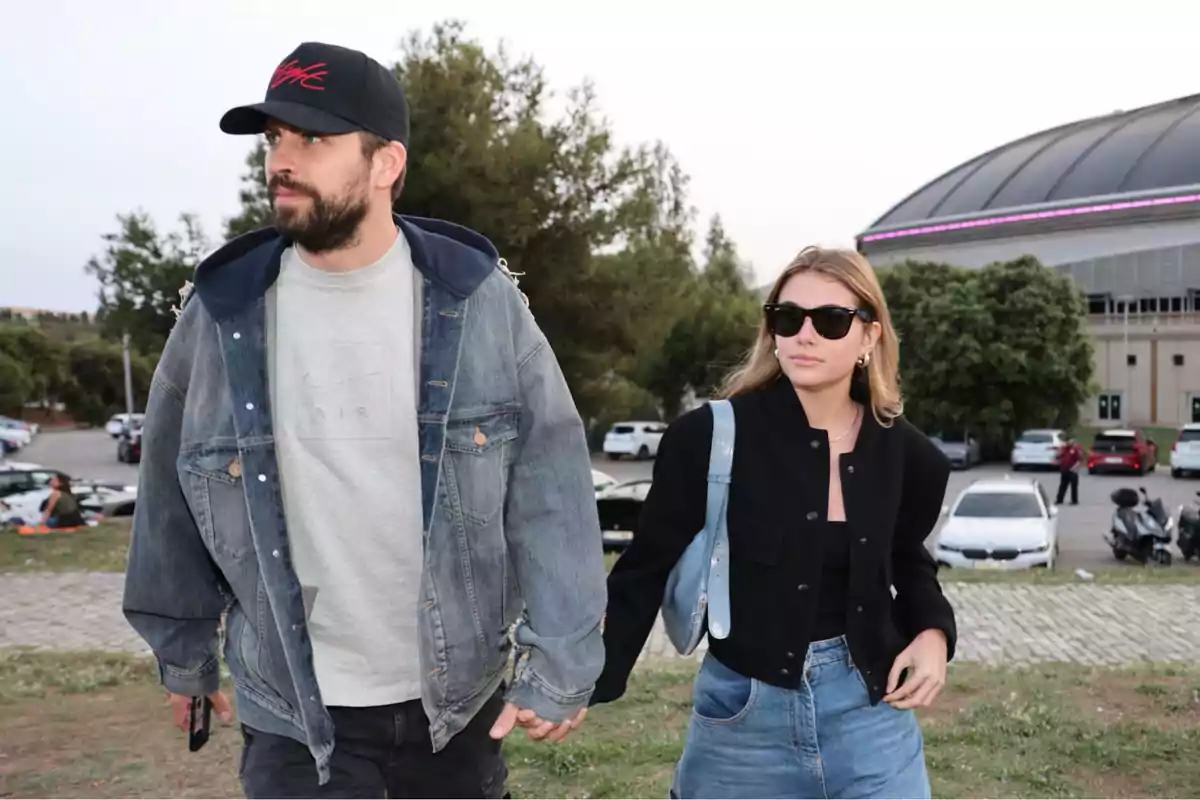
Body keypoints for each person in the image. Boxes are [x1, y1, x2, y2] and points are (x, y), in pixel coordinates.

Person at [122, 41, 607, 799]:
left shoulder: (476, 300)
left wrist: (564, 658)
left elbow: (551, 486)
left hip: (453, 701)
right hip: (291, 707)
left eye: (313, 140)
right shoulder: (222, 312)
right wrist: (182, 649)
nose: (282, 160)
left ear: (386, 164)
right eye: (275, 139)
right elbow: (167, 487)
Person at [592, 247, 957, 799]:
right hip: (741, 716)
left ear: (869, 337)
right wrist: (583, 680)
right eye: (788, 318)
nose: (804, 335)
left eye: (830, 321)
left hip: (869, 714)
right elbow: (644, 569)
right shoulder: (707, 438)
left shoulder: (912, 457)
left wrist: (932, 633)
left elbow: (907, 558)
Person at [1056, 433, 1084, 506]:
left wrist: (1075, 468)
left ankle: (1074, 500)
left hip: (1073, 470)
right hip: (1064, 469)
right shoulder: (1063, 449)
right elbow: (1058, 456)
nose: (1069, 442)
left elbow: (1080, 460)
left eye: (1071, 441)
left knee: (1074, 486)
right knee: (1062, 485)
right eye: (1068, 441)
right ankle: (1059, 499)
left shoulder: (1076, 449)